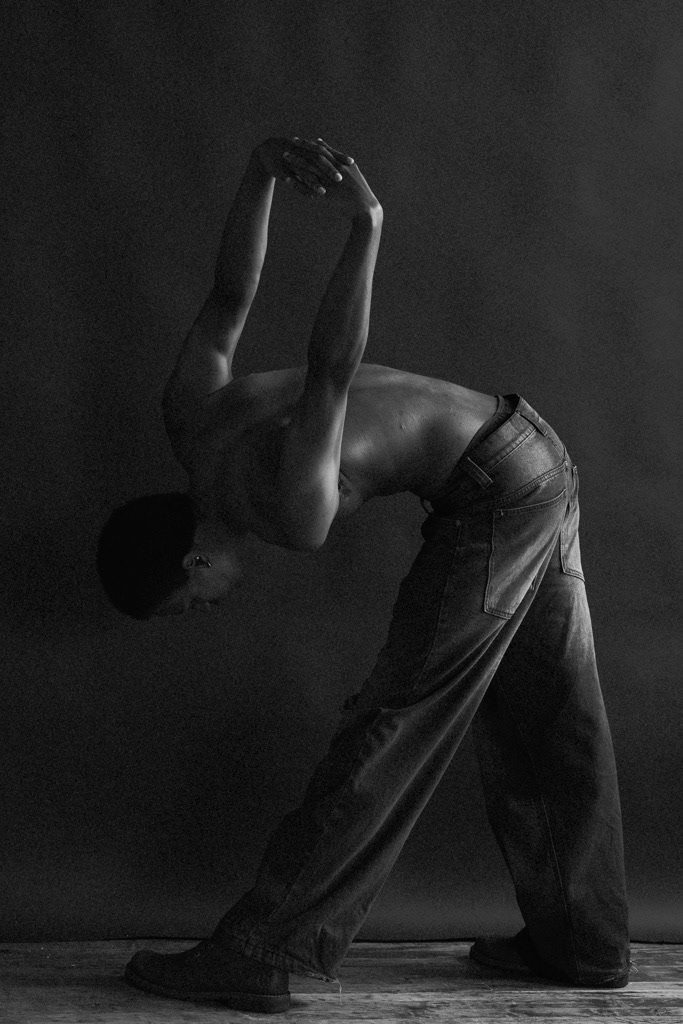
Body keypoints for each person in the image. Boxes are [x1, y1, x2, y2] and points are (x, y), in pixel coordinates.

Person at [98, 135, 631, 1013]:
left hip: (498, 489)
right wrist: (257, 177)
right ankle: (585, 943)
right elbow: (230, 295)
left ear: (192, 560)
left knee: (395, 720)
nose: (208, 608)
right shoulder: (191, 419)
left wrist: (366, 226)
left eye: (189, 606)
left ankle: (264, 953)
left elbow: (330, 374)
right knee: (549, 707)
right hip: (531, 451)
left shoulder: (289, 507)